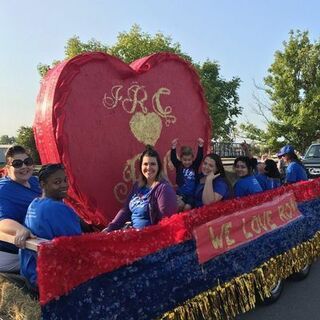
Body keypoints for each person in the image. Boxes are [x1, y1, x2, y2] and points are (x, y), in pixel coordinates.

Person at [20, 164, 81, 289]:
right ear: (42, 184)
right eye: (57, 182)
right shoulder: (57, 208)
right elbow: (78, 246)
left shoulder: (34, 204)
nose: (64, 185)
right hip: (51, 279)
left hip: (30, 273)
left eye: (65, 180)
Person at [104, 145, 177, 232]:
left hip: (150, 239)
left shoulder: (163, 189)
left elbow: (165, 223)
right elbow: (125, 211)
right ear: (141, 166)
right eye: (145, 164)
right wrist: (110, 228)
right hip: (133, 234)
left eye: (153, 164)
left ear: (159, 167)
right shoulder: (137, 186)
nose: (149, 168)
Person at [0, 145, 41, 273]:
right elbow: (2, 222)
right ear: (7, 168)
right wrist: (20, 229)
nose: (23, 166)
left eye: (27, 162)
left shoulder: (35, 182)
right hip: (11, 252)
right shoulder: (4, 190)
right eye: (17, 164)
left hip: (36, 244)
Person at [170, 138, 204, 211]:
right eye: (185, 160)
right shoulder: (179, 165)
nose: (187, 162)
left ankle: (187, 221)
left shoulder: (194, 166)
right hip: (180, 193)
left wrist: (200, 146)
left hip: (191, 195)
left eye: (189, 160)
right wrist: (173, 147)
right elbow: (173, 159)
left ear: (192, 159)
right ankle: (177, 220)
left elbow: (199, 158)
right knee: (179, 205)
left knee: (187, 208)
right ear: (181, 159)